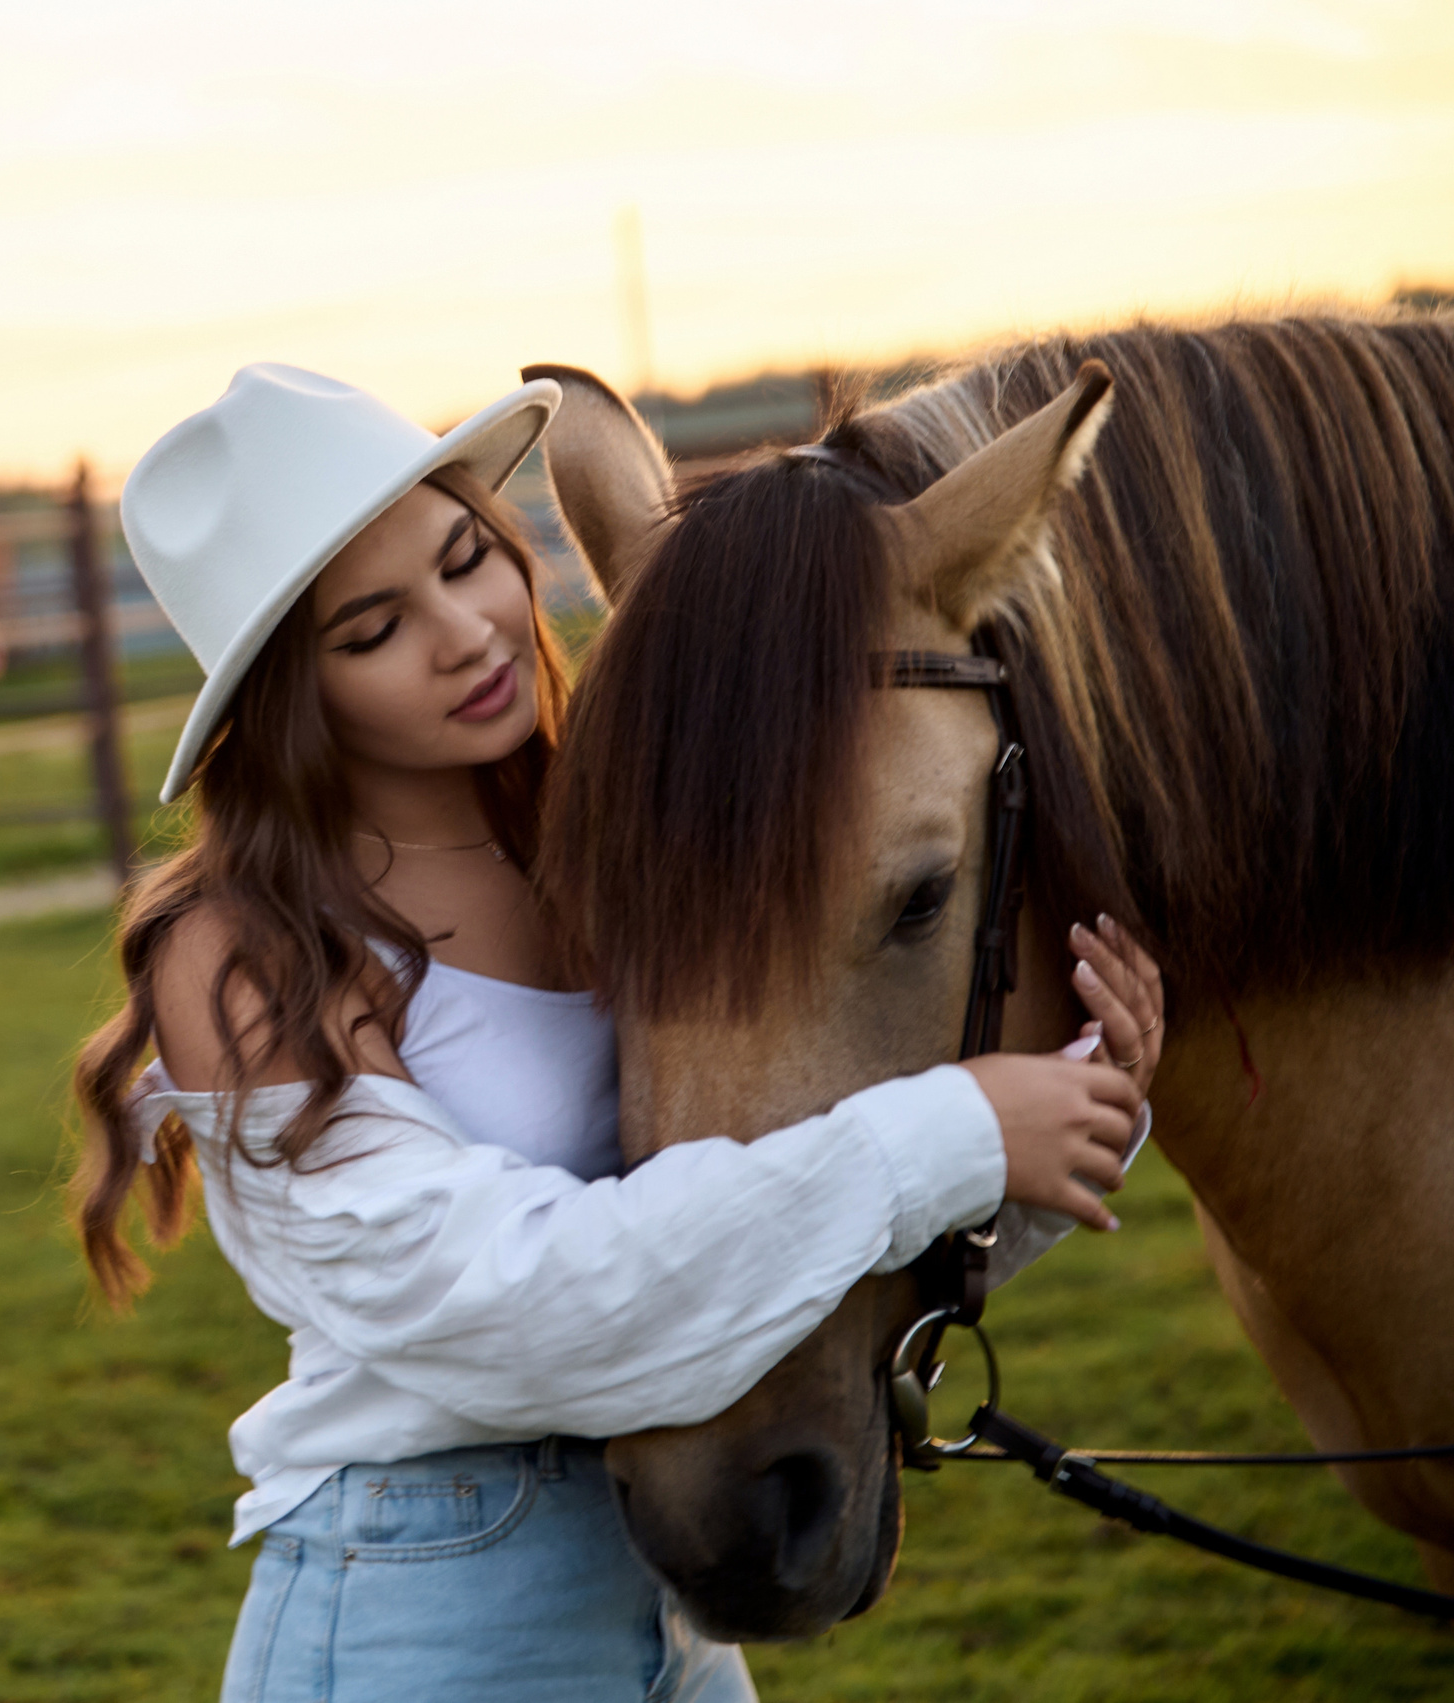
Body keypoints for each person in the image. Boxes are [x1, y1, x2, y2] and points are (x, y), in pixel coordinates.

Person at [69, 365, 1164, 1703]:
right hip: (423, 1609)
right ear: (296, 697)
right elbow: (509, 1306)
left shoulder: (601, 852)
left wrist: (1070, 1118)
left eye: (468, 558)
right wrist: (958, 1130)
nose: (467, 634)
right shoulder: (248, 952)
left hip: (671, 1588)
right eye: (370, 632)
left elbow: (762, 1216)